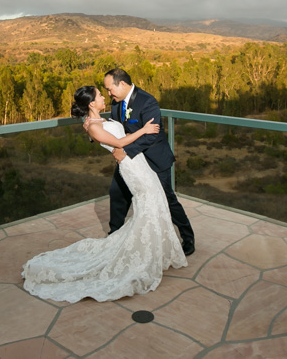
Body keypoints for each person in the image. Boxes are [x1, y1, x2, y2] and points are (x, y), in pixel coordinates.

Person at [21, 85, 186, 302]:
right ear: (91, 104)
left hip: (139, 162)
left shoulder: (96, 121)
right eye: (100, 95)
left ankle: (157, 251)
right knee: (148, 205)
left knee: (156, 202)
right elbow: (118, 143)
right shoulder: (93, 127)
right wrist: (144, 130)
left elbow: (116, 135)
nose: (103, 98)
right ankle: (144, 256)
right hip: (131, 167)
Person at [104, 68, 195, 256]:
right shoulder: (115, 104)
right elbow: (116, 130)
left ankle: (188, 237)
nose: (108, 93)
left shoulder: (147, 101)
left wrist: (125, 150)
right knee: (117, 192)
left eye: (109, 89)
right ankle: (114, 235)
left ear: (121, 84)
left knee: (167, 199)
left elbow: (151, 136)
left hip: (155, 160)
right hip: (131, 162)